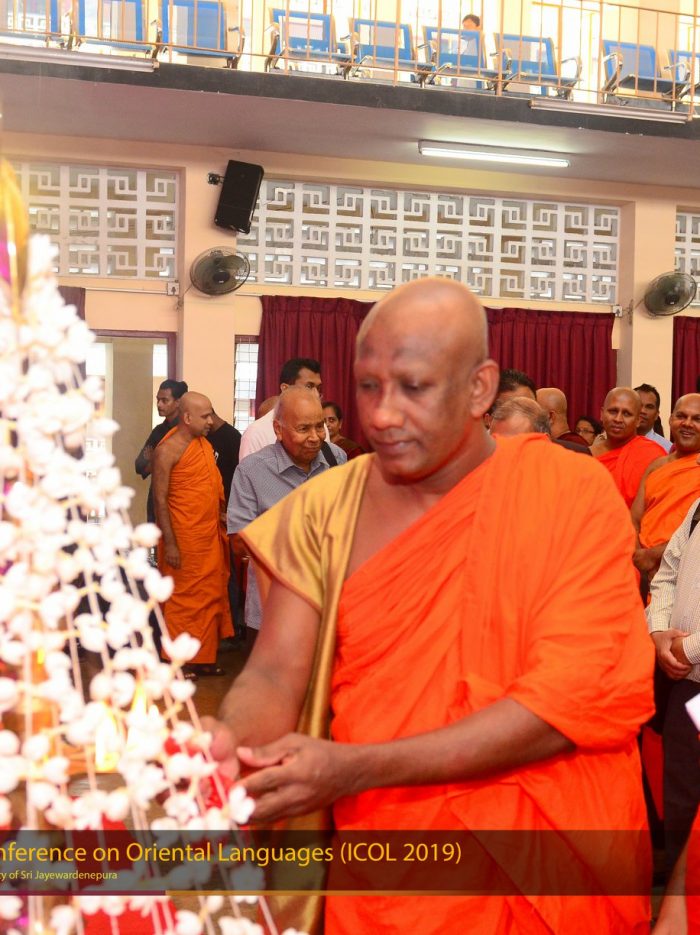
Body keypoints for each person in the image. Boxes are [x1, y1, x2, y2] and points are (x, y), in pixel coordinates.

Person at [208, 278, 654, 935]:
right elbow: (275, 673)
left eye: (413, 387)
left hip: (541, 864)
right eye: (368, 386)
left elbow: (568, 703)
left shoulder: (570, 494)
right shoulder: (327, 508)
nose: (383, 414)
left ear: (479, 388)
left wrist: (357, 767)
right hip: (389, 859)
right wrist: (230, 743)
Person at [228, 387, 346, 642]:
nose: (315, 437)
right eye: (303, 429)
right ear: (278, 429)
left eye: (319, 426)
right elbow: (239, 543)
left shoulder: (336, 459)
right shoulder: (252, 471)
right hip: (273, 613)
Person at [152, 391, 232, 678]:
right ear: (187, 417)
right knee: (183, 601)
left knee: (210, 597)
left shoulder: (203, 445)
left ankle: (202, 658)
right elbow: (159, 499)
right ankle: (178, 662)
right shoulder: (167, 450)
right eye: (205, 416)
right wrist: (171, 543)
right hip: (183, 539)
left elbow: (210, 489)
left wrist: (222, 515)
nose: (211, 421)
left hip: (208, 535)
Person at [647, 497, 700, 873]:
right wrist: (659, 633)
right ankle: (681, 899)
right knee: (683, 798)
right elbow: (667, 573)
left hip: (685, 664)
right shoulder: (698, 506)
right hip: (688, 689)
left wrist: (688, 649)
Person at [632, 394, 700, 583]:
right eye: (681, 416)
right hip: (642, 570)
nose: (687, 423)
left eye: (697, 419)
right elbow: (634, 520)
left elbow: (695, 532)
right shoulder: (657, 465)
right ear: (670, 420)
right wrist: (639, 557)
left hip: (687, 571)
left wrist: (655, 556)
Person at [239, 358, 328, 460]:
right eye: (309, 387)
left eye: (318, 388)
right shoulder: (256, 433)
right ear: (285, 388)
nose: (316, 394)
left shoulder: (322, 428)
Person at [592, 387, 665, 507]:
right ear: (602, 414)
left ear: (638, 420)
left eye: (626, 414)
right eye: (613, 411)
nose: (618, 419)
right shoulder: (587, 454)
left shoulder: (653, 455)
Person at [134, 379, 188, 523]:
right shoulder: (158, 431)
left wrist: (155, 459)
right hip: (156, 499)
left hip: (180, 499)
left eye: (165, 400)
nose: (159, 404)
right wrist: (157, 462)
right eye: (158, 400)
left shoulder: (187, 430)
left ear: (178, 402)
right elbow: (139, 466)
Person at [634, 382, 673, 454]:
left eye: (649, 407)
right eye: (639, 405)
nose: (642, 411)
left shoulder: (667, 449)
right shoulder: (616, 443)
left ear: (656, 415)